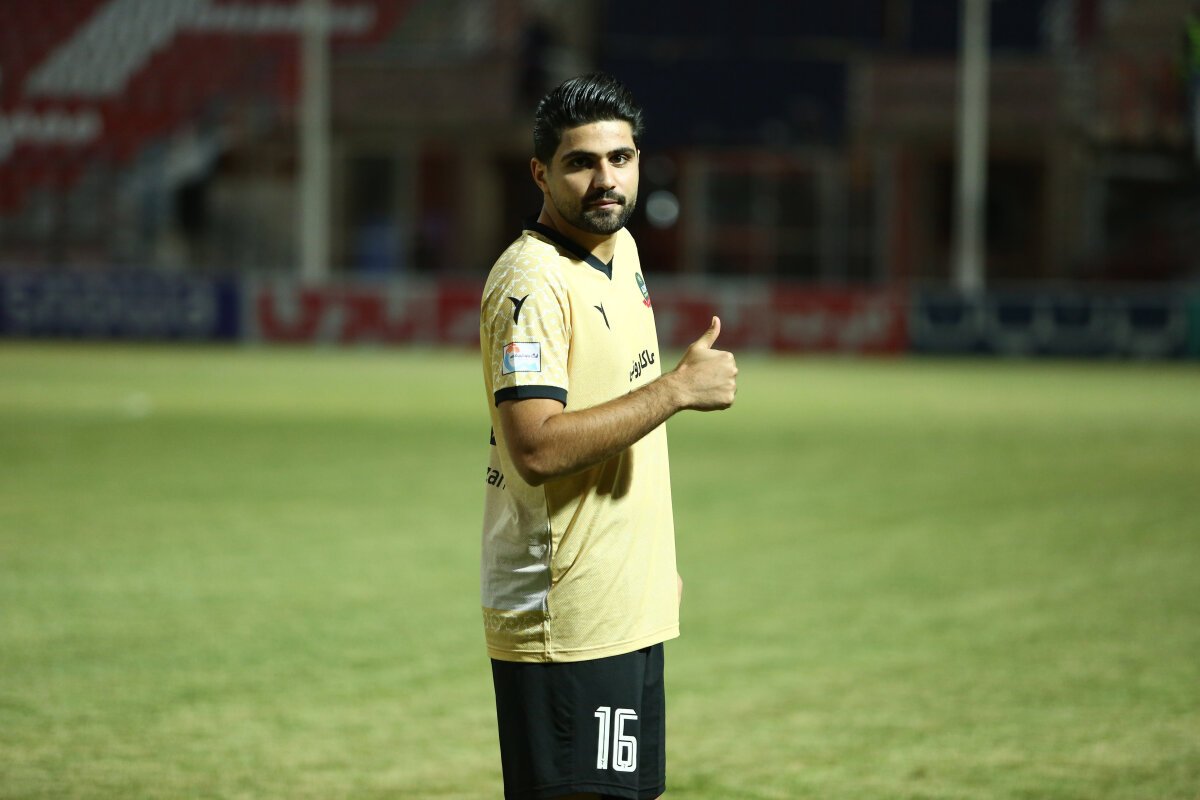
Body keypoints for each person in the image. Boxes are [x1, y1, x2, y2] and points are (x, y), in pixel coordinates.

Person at [478, 72, 738, 800]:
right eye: (581, 162)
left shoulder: (620, 250)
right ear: (540, 173)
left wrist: (651, 568)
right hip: (565, 616)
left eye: (620, 158)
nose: (606, 180)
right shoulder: (530, 283)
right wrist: (676, 390)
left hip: (626, 604)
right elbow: (536, 448)